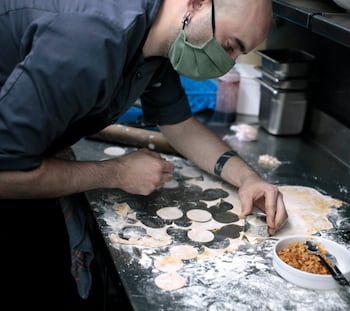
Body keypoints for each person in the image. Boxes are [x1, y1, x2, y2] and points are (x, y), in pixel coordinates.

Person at [0, 0, 288, 308]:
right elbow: (5, 174)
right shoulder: (89, 41)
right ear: (198, 4)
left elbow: (180, 127)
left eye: (238, 55)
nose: (228, 63)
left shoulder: (161, 42)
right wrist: (116, 173)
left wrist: (248, 178)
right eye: (230, 46)